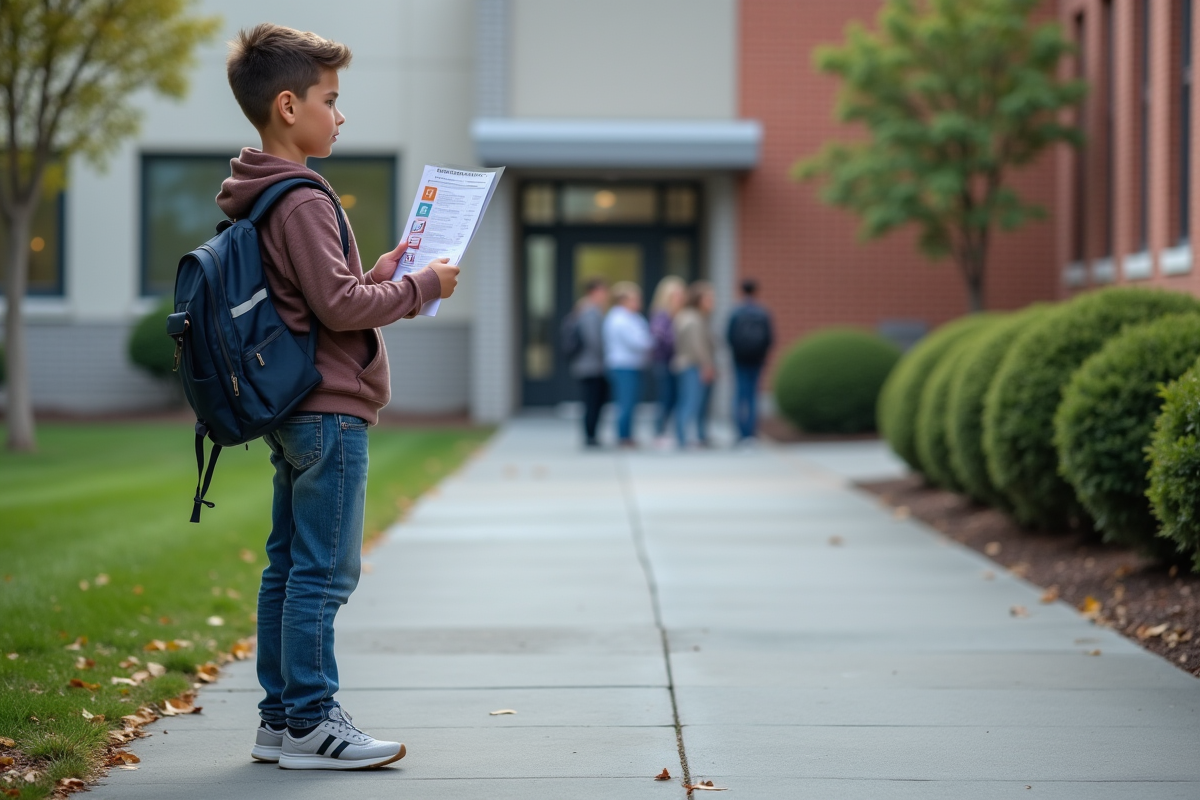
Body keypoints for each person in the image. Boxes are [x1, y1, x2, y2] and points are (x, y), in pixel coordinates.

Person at [218, 23, 458, 770]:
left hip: (294, 407)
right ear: (289, 106)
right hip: (329, 411)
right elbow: (339, 308)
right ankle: (315, 722)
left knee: (288, 566)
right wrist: (421, 286)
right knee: (324, 571)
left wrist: (382, 267)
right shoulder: (303, 198)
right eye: (331, 99)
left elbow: (323, 291)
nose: (340, 113)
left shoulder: (260, 191)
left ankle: (280, 721)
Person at [603, 281, 653, 447]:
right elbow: (639, 342)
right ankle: (623, 437)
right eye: (634, 299)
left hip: (634, 365)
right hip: (623, 366)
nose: (638, 302)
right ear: (623, 300)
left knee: (631, 403)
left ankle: (628, 435)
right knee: (625, 403)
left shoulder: (633, 317)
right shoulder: (618, 319)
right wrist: (649, 341)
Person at [726, 278, 775, 441]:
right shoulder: (763, 312)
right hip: (757, 359)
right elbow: (770, 338)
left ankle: (740, 433)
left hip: (739, 359)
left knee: (740, 395)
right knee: (753, 396)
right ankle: (751, 434)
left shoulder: (736, 312)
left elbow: (728, 336)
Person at [565, 278, 610, 447]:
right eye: (603, 291)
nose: (606, 294)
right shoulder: (590, 311)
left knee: (594, 402)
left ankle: (592, 435)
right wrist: (607, 358)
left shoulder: (587, 310)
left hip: (591, 365)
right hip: (591, 366)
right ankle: (590, 436)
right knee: (592, 402)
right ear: (593, 292)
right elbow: (594, 340)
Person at [673, 281, 717, 448]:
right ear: (698, 299)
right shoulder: (692, 319)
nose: (712, 302)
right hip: (692, 366)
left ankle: (699, 436)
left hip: (693, 365)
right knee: (690, 402)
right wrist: (707, 365)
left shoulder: (696, 317)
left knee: (696, 403)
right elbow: (697, 346)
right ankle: (682, 438)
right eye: (709, 298)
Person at [648, 276, 687, 446]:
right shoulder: (661, 315)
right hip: (664, 363)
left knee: (675, 399)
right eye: (676, 294)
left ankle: (668, 431)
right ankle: (659, 432)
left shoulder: (681, 314)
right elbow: (660, 339)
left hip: (677, 364)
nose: (680, 297)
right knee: (666, 398)